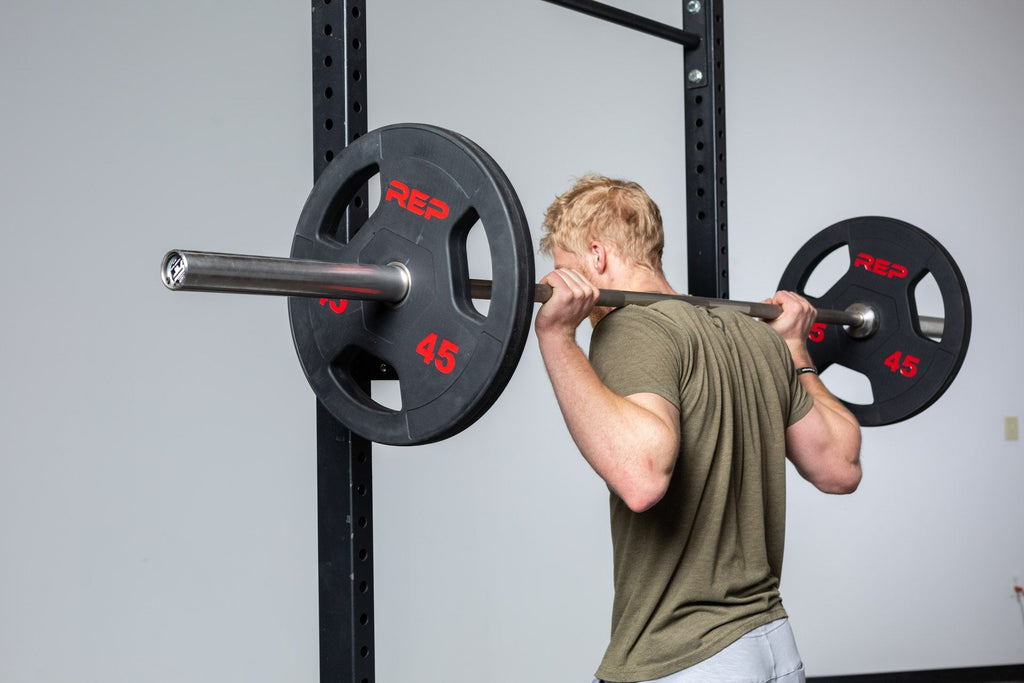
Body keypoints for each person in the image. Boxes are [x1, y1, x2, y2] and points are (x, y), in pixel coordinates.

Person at [533, 174, 863, 683]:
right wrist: (797, 349)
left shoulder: (632, 328)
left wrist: (556, 336)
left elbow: (642, 478)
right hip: (773, 649)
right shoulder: (757, 339)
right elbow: (839, 465)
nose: (559, 285)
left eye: (564, 268)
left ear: (597, 256)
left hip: (687, 657)